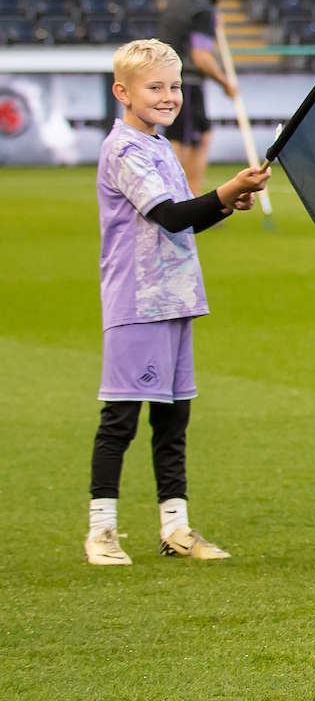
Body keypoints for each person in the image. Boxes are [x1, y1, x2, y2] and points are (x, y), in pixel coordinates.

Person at [86, 39, 270, 566]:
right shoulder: (121, 149)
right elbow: (167, 215)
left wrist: (227, 203)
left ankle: (176, 529)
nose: (169, 97)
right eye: (156, 87)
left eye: (175, 87)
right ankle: (101, 532)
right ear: (123, 92)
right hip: (137, 301)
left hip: (176, 298)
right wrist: (226, 187)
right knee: (120, 418)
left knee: (173, 419)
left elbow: (184, 221)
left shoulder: (161, 145)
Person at [157, 0, 240, 190]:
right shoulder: (203, 10)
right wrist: (226, 83)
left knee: (200, 136)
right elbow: (201, 57)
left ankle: (191, 197)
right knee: (179, 140)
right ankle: (170, 198)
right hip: (187, 81)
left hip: (168, 74)